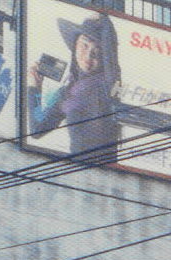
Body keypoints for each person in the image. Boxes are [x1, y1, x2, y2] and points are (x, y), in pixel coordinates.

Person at [27, 13, 121, 166]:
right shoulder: (66, 92)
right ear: (74, 44)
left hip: (105, 172)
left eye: (97, 52)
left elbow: (110, 44)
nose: (88, 56)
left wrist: (102, 15)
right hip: (75, 170)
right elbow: (37, 128)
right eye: (84, 45)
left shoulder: (109, 82)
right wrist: (34, 88)